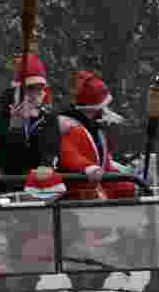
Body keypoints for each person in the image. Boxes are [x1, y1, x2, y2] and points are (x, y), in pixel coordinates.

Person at [57, 71, 134, 200]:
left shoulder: (96, 131)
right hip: (73, 202)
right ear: (95, 108)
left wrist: (131, 184)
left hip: (92, 200)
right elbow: (67, 153)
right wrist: (88, 167)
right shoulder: (68, 128)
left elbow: (106, 168)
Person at [0, 53, 59, 179]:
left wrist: (47, 164)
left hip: (39, 181)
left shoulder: (48, 115)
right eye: (30, 88)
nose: (35, 94)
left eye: (40, 89)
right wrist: (16, 127)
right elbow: (3, 157)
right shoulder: (1, 112)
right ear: (17, 89)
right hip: (7, 180)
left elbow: (51, 147)